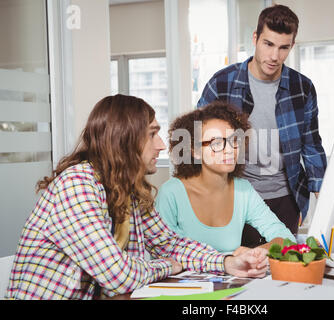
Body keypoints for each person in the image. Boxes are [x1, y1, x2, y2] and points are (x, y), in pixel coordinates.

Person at [5, 94, 268, 300]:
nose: (162, 145)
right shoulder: (77, 185)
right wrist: (168, 266)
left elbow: (169, 243)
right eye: (152, 134)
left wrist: (227, 262)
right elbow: (118, 276)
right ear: (126, 139)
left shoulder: (127, 188)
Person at [197, 4, 327, 248]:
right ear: (255, 38)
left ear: (292, 46)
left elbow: (311, 144)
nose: (274, 56)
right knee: (238, 270)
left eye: (283, 47)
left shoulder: (302, 88)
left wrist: (328, 198)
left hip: (285, 198)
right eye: (268, 44)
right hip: (235, 197)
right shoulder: (221, 84)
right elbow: (197, 139)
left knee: (281, 271)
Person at [155, 101, 296, 255]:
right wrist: (225, 262)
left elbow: (285, 238)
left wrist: (253, 253)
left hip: (234, 276)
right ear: (194, 151)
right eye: (216, 143)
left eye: (234, 141)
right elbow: (163, 251)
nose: (229, 150)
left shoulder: (243, 190)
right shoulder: (171, 193)